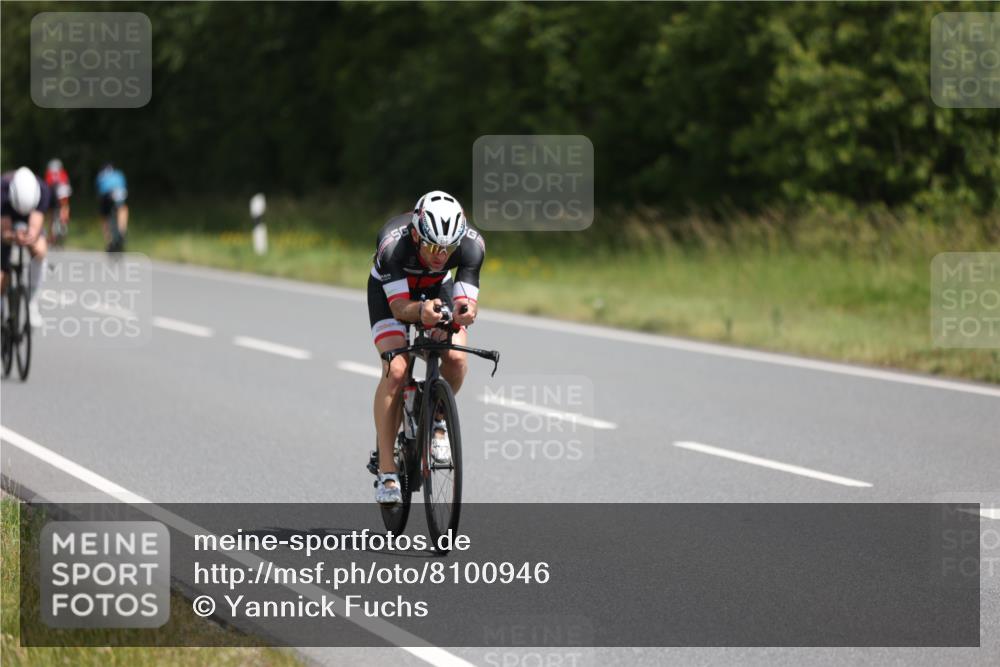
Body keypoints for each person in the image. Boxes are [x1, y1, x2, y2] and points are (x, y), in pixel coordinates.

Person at [367, 190, 485, 504]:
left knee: (457, 359)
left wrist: (464, 312)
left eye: (449, 248)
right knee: (396, 369)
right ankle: (388, 473)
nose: (441, 255)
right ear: (418, 235)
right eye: (433, 246)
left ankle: (436, 420)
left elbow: (464, 301)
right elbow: (398, 308)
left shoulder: (471, 245)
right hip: (391, 293)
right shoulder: (393, 245)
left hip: (437, 286)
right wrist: (421, 313)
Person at [1, 167, 50, 326]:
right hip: (6, 217)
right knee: (2, 274)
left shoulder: (42, 190)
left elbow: (35, 225)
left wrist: (31, 236)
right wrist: (13, 236)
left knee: (40, 249)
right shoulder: (2, 189)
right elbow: (4, 232)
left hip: (30, 217)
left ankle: (32, 301)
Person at [95, 163, 129, 251]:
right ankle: (122, 231)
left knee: (104, 216)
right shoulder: (118, 174)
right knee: (123, 209)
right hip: (120, 192)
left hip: (106, 195)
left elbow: (99, 191)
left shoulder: (100, 176)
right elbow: (124, 186)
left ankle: (109, 240)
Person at [44, 158, 72, 244]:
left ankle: (51, 236)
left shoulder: (48, 174)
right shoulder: (63, 173)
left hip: (52, 192)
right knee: (65, 206)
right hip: (62, 191)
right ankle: (64, 220)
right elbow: (67, 185)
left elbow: (46, 186)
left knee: (51, 214)